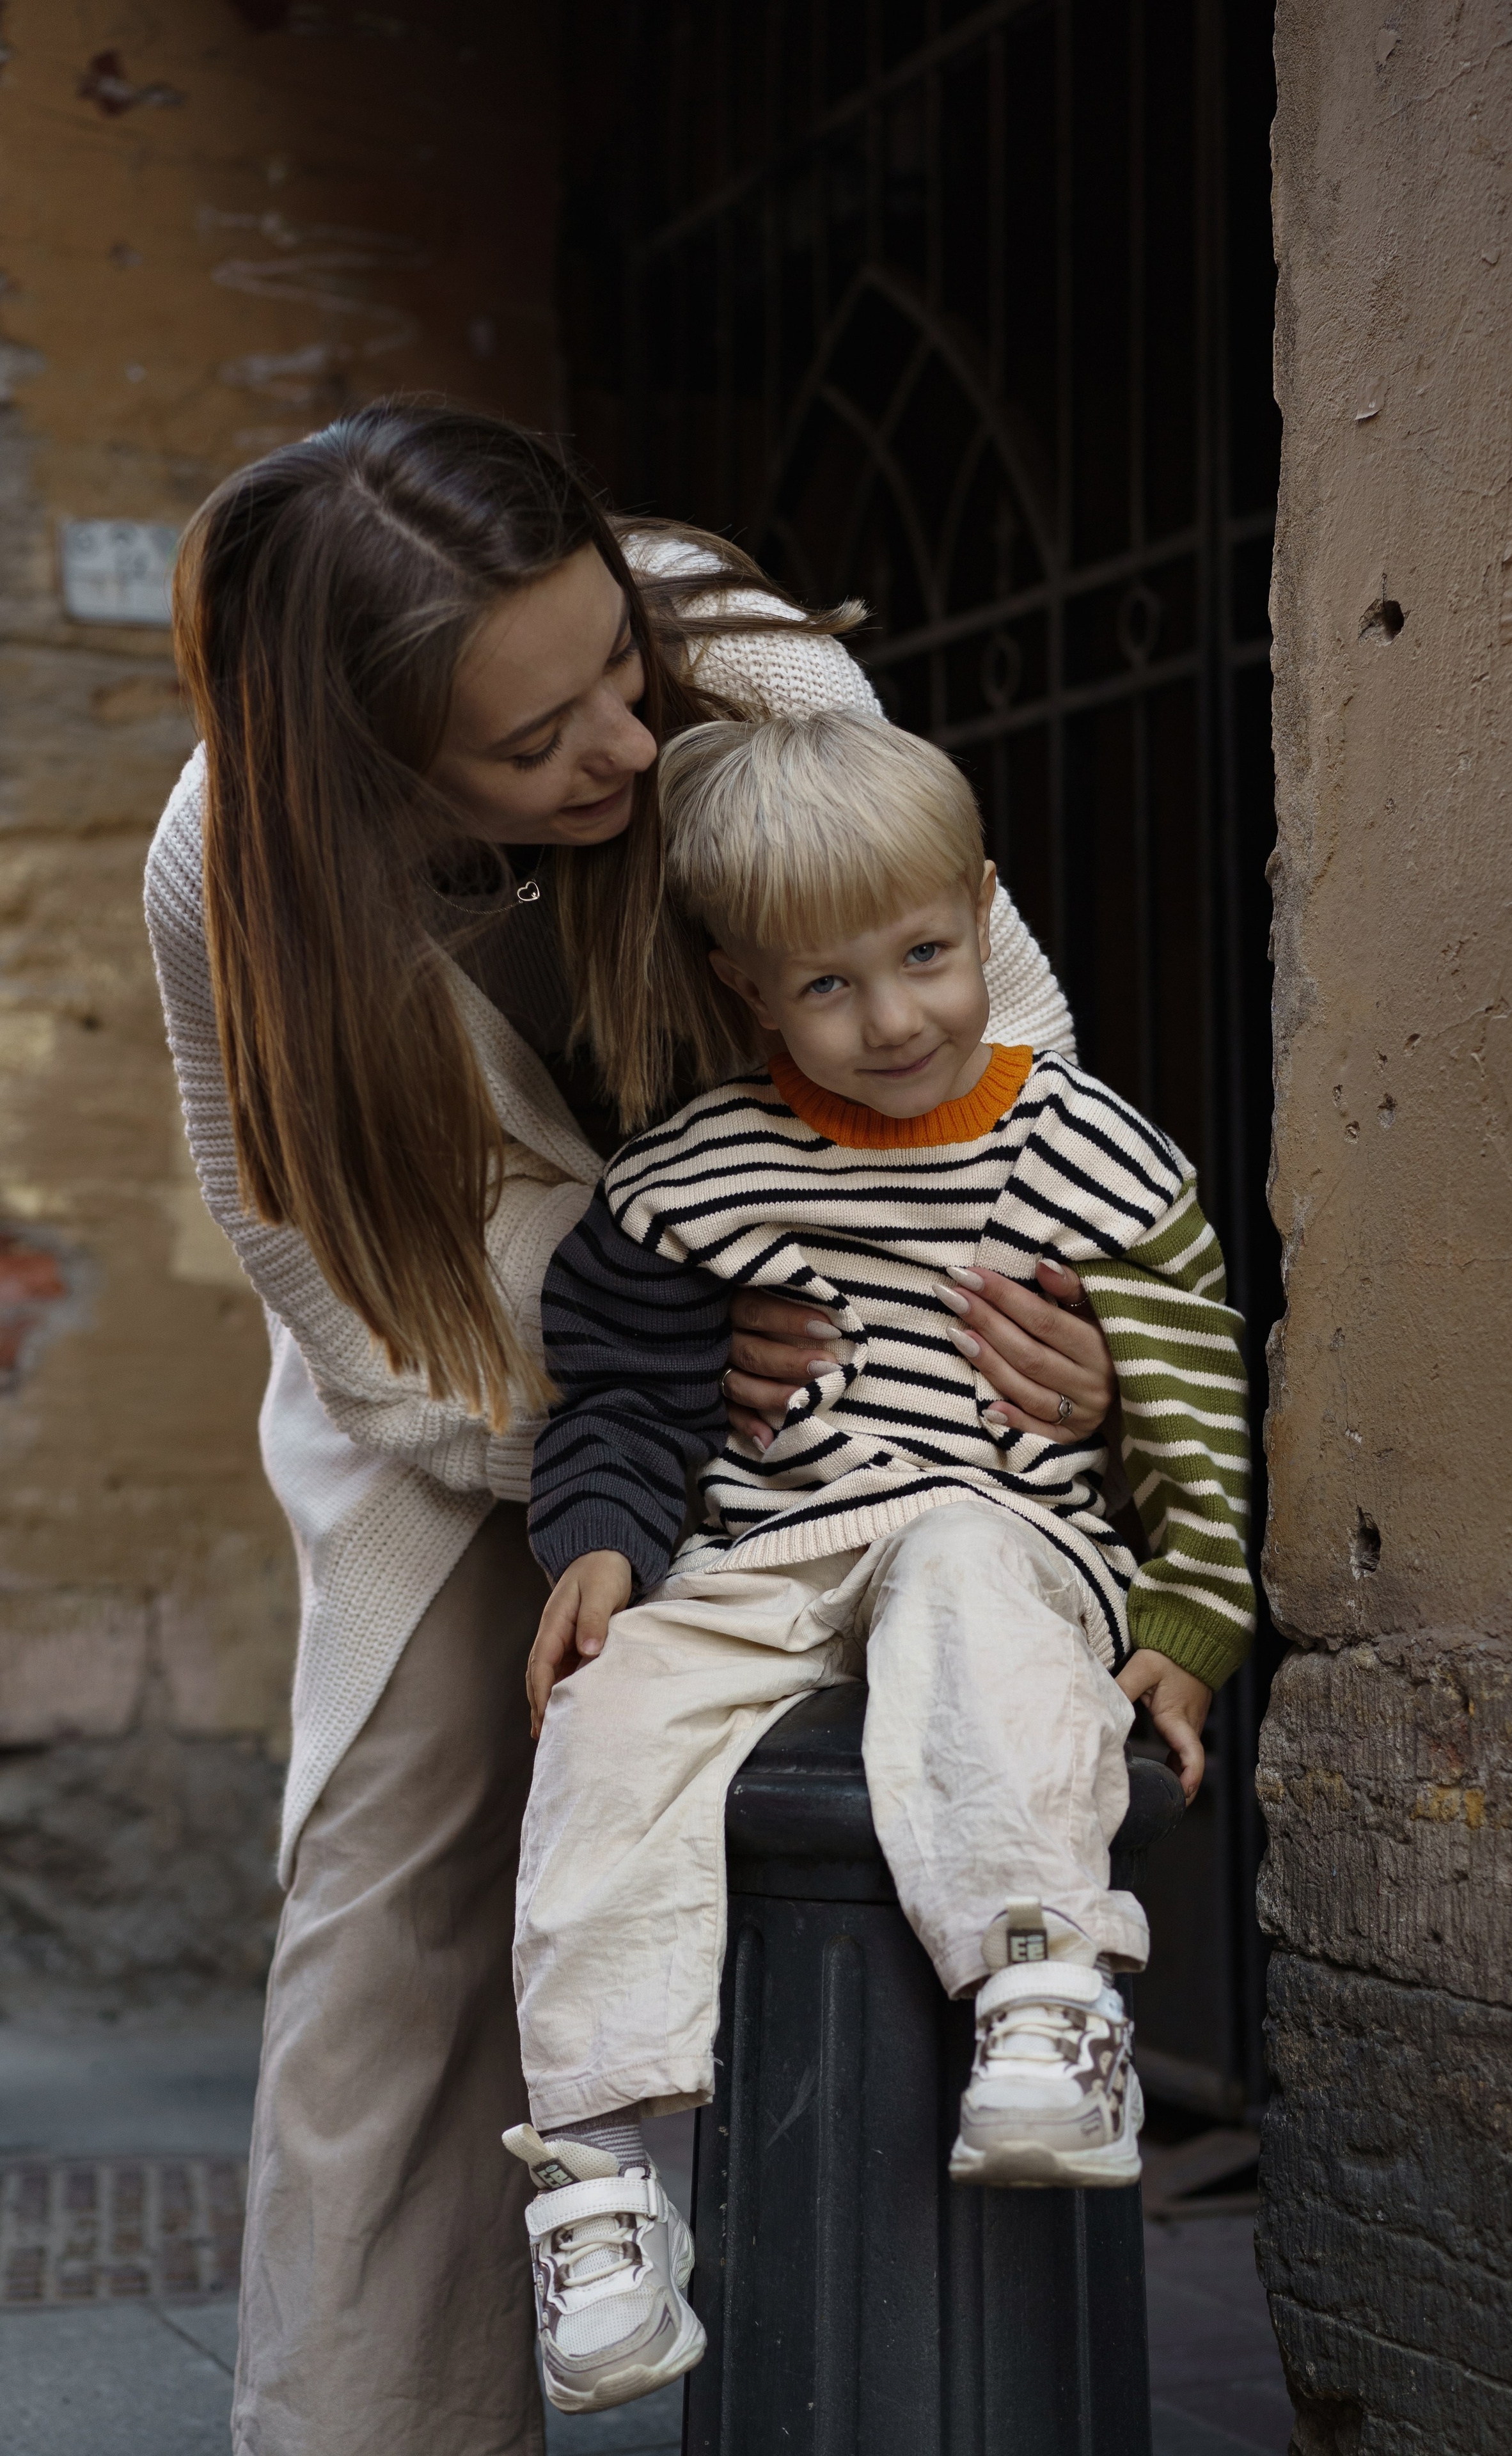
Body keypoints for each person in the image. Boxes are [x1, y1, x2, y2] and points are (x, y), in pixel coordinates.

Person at [143, 404, 1114, 2456]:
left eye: (613, 663)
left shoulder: (740, 665)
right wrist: (631, 1409)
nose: (625, 745)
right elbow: (327, 1269)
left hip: (855, 1298)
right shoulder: (225, 866)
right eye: (535, 741)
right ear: (369, 764)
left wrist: (986, 1331)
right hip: (468, 1380)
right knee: (399, 1894)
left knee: (960, 1694)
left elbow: (995, 1035)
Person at [506, 710, 1256, 2416]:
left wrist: (1194, 1615)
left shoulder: (1091, 1154)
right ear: (746, 989)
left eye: (924, 955)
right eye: (829, 986)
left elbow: (1193, 1395)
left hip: (1001, 1527)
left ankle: (1042, 1992)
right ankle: (602, 2177)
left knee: (966, 1582)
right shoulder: (690, 1180)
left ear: (982, 907)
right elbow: (617, 1389)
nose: (896, 1017)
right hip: (766, 1549)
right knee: (608, 1717)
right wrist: (602, 1551)